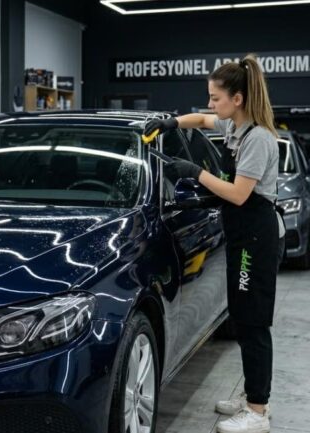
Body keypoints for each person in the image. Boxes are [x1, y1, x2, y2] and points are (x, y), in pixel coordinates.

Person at [144, 54, 283, 433]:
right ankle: (252, 393)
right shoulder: (234, 124)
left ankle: (257, 410)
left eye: (215, 98)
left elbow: (238, 194)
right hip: (242, 234)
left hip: (256, 237)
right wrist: (172, 122)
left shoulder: (258, 139)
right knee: (240, 316)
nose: (210, 104)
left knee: (253, 322)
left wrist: (196, 172)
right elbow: (202, 121)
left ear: (237, 99)